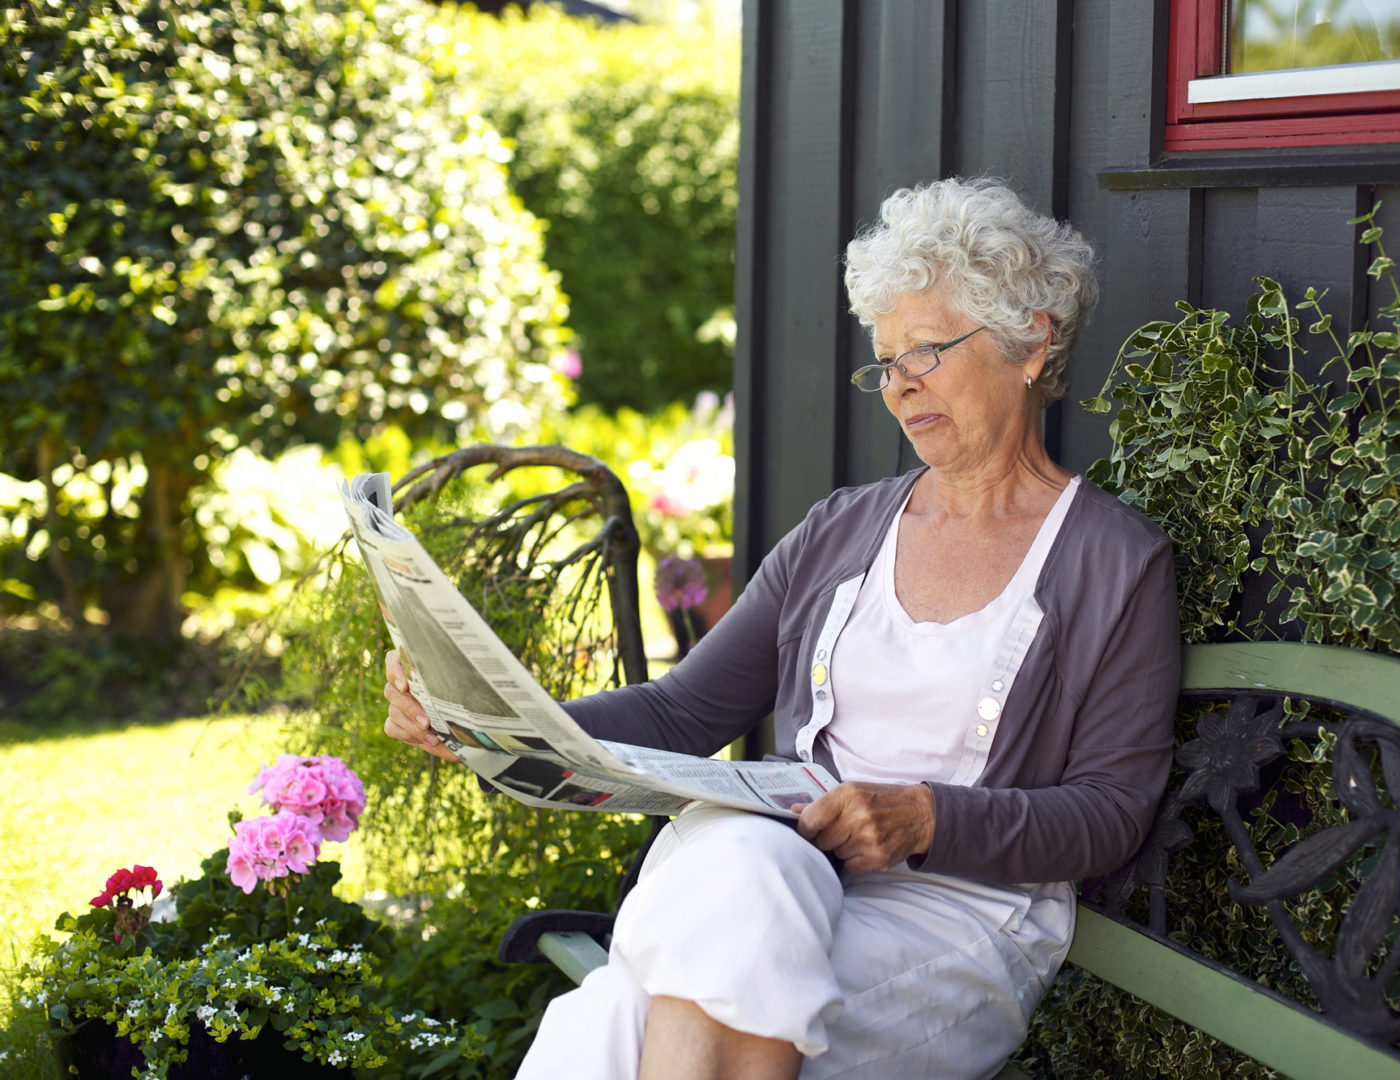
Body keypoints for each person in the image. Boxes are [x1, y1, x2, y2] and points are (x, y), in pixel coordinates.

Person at [383, 176, 1181, 1080]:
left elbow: (1110, 813)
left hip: (958, 916)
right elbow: (685, 713)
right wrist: (489, 724)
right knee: (745, 867)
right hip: (782, 873)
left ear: (1031, 339)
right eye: (884, 362)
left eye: (926, 352)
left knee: (611, 1022)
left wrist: (924, 817)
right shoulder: (842, 530)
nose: (898, 388)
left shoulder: (1113, 562)